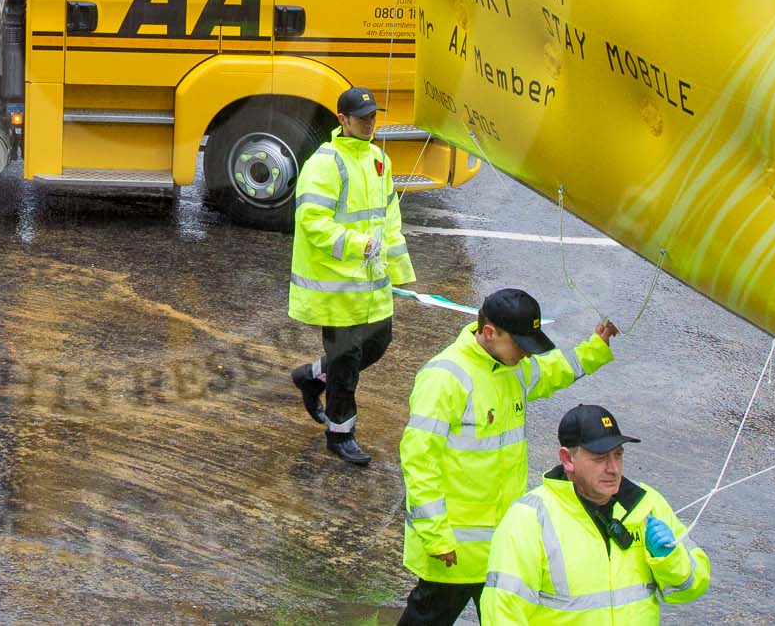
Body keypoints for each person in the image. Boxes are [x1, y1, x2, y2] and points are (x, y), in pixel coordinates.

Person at [398, 292, 620, 625]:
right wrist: (435, 536)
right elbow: (419, 461)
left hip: (504, 546)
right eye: (520, 344)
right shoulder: (445, 378)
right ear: (490, 333)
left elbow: (552, 371)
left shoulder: (511, 367)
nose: (526, 353)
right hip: (453, 551)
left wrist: (595, 349)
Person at [473, 404, 709, 626]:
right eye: (600, 458)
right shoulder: (529, 520)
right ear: (567, 459)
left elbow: (691, 589)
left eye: (618, 455)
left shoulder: (647, 504)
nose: (613, 468)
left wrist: (670, 559)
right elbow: (502, 613)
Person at [287, 85, 415, 465]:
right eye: (361, 118)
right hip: (336, 284)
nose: (369, 123)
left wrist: (399, 267)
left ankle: (311, 376)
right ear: (342, 120)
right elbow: (312, 221)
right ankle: (340, 434)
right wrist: (359, 245)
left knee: (378, 343)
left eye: (373, 117)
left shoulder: (379, 159)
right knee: (347, 362)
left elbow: (389, 217)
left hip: (371, 284)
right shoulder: (325, 162)